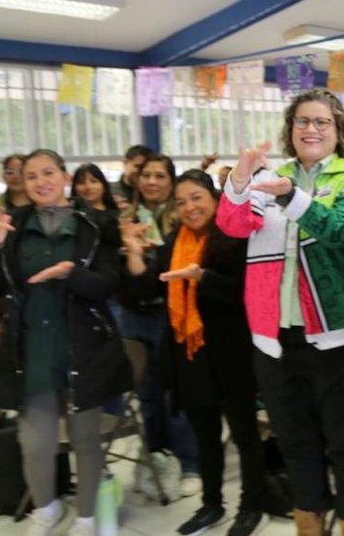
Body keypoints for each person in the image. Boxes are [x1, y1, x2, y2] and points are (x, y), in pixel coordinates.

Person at [218, 88, 344, 536]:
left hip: (341, 335)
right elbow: (233, 225)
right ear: (290, 130)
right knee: (294, 440)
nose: (311, 129)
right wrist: (238, 179)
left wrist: (291, 197)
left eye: (321, 121)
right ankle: (308, 523)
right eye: (302, 121)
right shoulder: (271, 173)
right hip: (273, 334)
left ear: (337, 130)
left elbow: (341, 231)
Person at [0, 149, 130, 536]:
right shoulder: (11, 226)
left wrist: (70, 273)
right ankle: (46, 507)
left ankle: (86, 515)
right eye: (31, 176)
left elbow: (108, 284)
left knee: (86, 440)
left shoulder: (96, 225)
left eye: (49, 172)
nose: (41, 182)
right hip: (32, 350)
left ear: (65, 177)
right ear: (23, 184)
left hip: (84, 346)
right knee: (35, 442)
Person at [122, 170, 265, 536]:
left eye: (197, 198)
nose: (189, 207)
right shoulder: (173, 242)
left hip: (232, 353)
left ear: (215, 199)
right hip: (190, 354)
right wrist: (136, 254)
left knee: (245, 435)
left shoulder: (234, 237)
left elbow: (245, 294)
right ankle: (212, 504)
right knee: (205, 436)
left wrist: (203, 277)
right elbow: (144, 289)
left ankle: (252, 505)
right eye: (181, 202)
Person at [120, 153, 200, 498]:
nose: (152, 182)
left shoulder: (183, 218)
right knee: (147, 396)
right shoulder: (124, 219)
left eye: (160, 176)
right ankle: (158, 458)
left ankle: (190, 463)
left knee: (176, 394)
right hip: (133, 313)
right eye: (147, 176)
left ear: (171, 181)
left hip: (173, 315)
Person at [113, 144, 153, 211]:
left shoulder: (153, 193)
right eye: (138, 166)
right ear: (125, 163)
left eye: (145, 168)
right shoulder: (109, 192)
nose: (142, 172)